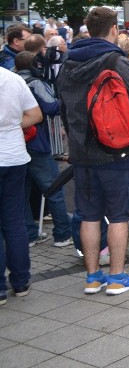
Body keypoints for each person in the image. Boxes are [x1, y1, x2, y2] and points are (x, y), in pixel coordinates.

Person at [57, 6, 129, 295]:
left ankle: (92, 277)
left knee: (88, 215)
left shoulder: (68, 63)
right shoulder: (115, 60)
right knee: (119, 215)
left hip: (82, 151)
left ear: (89, 29)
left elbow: (62, 108)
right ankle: (117, 277)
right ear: (114, 29)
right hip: (118, 150)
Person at [14, 52, 72, 248]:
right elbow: (50, 107)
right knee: (53, 187)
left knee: (22, 192)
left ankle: (30, 235)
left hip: (15, 144)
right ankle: (63, 233)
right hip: (36, 143)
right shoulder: (34, 83)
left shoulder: (10, 79)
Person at [0, 64, 42, 303]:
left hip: (11, 155)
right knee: (14, 221)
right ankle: (21, 281)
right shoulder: (13, 79)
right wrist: (11, 124)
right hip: (14, 155)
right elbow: (35, 115)